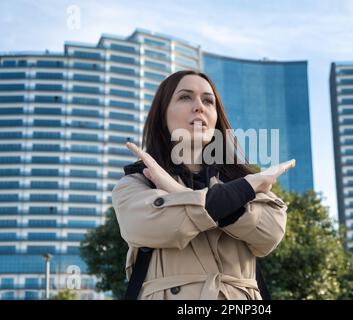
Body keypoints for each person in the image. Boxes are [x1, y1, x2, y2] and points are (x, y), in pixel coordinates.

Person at [112, 70, 295, 300]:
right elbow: (160, 227)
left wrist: (179, 192)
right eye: (185, 97)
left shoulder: (244, 179)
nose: (199, 106)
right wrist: (243, 190)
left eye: (208, 101)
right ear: (162, 114)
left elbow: (270, 233)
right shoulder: (135, 184)